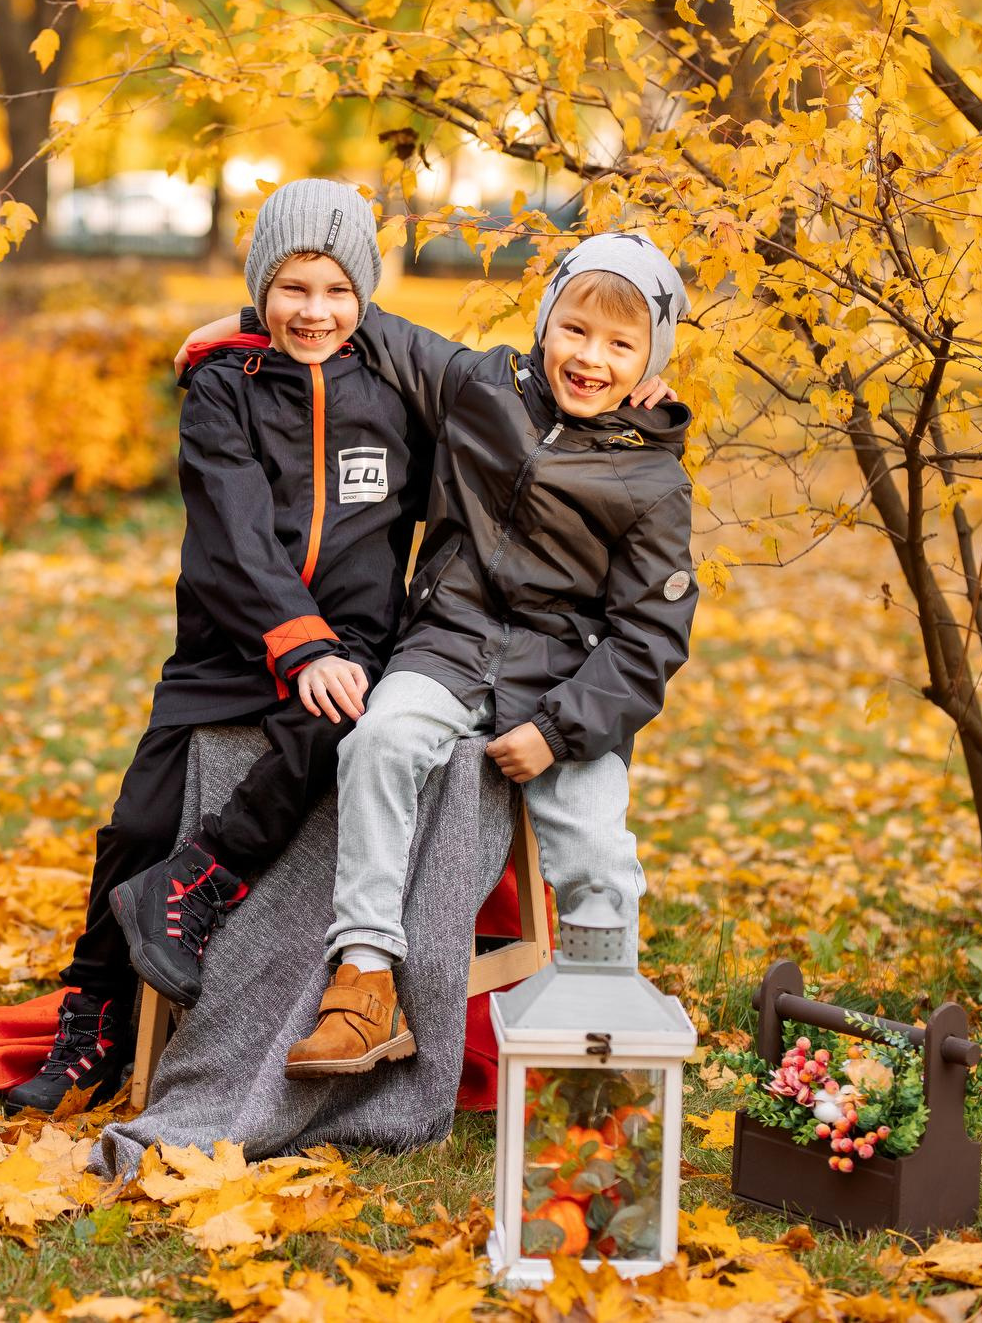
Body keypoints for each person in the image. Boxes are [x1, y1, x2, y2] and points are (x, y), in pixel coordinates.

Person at [6, 178, 428, 1113]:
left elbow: (501, 395)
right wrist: (296, 643)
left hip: (354, 640)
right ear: (258, 287)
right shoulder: (220, 385)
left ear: (365, 294)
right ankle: (96, 1017)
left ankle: (202, 878)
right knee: (138, 819)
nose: (314, 311)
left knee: (339, 719)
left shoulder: (400, 386)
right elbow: (234, 535)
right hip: (232, 638)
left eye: (335, 290)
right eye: (292, 288)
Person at [272, 232, 701, 1077]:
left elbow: (650, 637)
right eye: (576, 330)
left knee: (596, 850)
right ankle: (365, 979)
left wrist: (561, 730)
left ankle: (601, 1040)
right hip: (451, 640)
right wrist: (237, 324)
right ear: (545, 322)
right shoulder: (482, 389)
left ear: (652, 361)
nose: (591, 358)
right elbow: (371, 325)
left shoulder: (653, 483)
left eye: (622, 345)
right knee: (380, 742)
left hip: (566, 683)